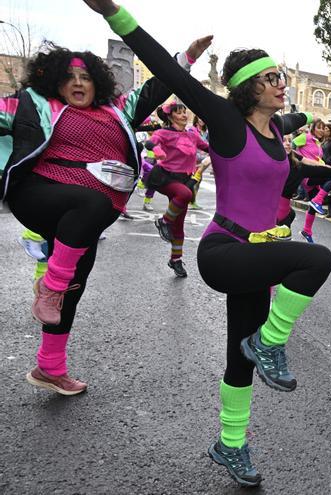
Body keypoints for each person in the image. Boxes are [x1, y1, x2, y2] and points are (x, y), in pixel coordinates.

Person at [89, 1, 331, 486]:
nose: (281, 83)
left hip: (256, 257)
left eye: (282, 76)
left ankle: (230, 444)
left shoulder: (277, 129)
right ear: (248, 87)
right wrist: (114, 14)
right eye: (272, 77)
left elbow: (300, 123)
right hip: (226, 251)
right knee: (316, 260)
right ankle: (269, 342)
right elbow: (165, 71)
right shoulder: (225, 121)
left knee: (238, 360)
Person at [0, 29, 206, 396]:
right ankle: (50, 286)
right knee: (89, 208)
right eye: (69, 77)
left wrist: (186, 58)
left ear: (98, 83)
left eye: (85, 77)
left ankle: (50, 367)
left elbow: (155, 89)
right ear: (55, 82)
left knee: (73, 288)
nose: (78, 83)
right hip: (39, 193)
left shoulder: (117, 110)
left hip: (88, 217)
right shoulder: (34, 103)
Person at [144, 100, 209, 277]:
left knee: (179, 225)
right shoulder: (163, 132)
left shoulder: (192, 135)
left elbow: (208, 148)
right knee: (185, 194)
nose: (184, 115)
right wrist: (157, 150)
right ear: (171, 116)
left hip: (184, 179)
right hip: (166, 177)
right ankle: (164, 221)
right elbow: (150, 143)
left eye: (184, 112)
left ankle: (175, 260)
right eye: (179, 112)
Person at [292, 120, 331, 242]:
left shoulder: (318, 143)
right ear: (313, 128)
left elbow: (317, 159)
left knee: (313, 207)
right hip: (307, 174)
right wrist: (297, 160)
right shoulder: (306, 137)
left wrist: (326, 166)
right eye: (319, 127)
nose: (322, 130)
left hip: (314, 173)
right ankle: (318, 200)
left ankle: (306, 231)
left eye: (323, 128)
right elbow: (291, 145)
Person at [188, 114, 212, 210]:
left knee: (198, 181)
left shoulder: (206, 132)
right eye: (199, 118)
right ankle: (189, 202)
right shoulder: (192, 130)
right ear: (196, 118)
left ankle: (193, 201)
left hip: (203, 160)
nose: (201, 120)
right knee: (193, 180)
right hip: (193, 160)